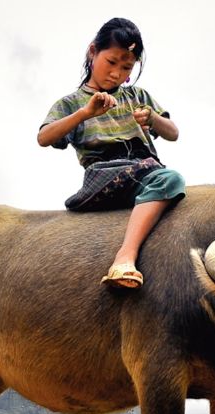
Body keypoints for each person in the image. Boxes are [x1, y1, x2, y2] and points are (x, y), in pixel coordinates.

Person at [38, 17, 184, 289]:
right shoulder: (72, 102)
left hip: (145, 171)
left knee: (174, 189)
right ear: (93, 52)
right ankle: (125, 256)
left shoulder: (138, 96)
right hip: (106, 174)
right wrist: (84, 114)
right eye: (112, 62)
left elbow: (173, 133)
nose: (117, 73)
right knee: (170, 180)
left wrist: (152, 118)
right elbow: (44, 137)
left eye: (126, 66)